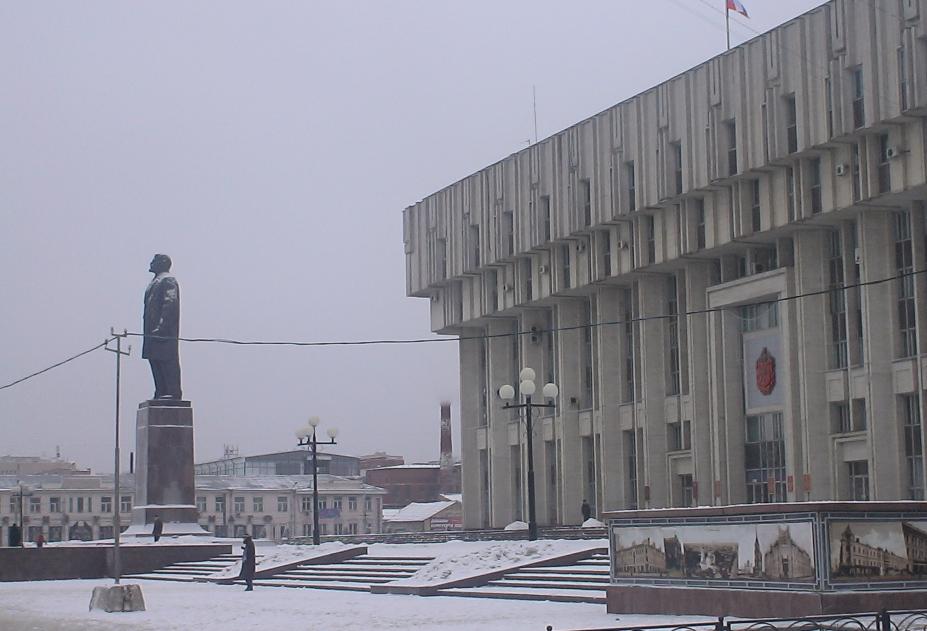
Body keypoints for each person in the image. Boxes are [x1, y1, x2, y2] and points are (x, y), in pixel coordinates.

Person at [143, 254, 182, 400]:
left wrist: (162, 326)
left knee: (167, 361)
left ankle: (172, 392)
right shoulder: (155, 281)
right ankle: (160, 391)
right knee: (155, 360)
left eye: (154, 261)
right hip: (150, 332)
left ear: (163, 263)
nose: (151, 263)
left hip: (162, 332)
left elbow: (170, 303)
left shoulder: (167, 280)